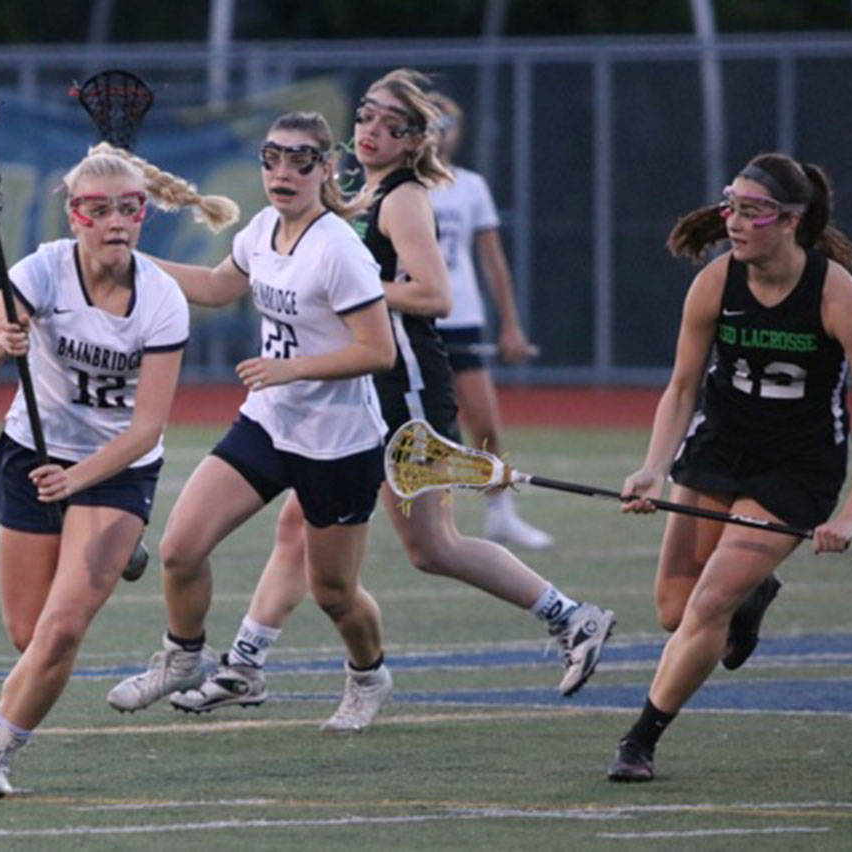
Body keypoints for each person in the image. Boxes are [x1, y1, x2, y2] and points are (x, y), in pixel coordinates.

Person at [168, 69, 615, 722]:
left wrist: (347, 292)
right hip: (361, 390)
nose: (373, 131)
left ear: (414, 144)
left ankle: (571, 617)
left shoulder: (402, 199)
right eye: (368, 117)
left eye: (393, 126)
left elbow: (433, 294)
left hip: (401, 389)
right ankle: (245, 663)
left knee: (430, 546)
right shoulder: (353, 193)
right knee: (299, 527)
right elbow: (229, 282)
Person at [0, 141, 239, 796]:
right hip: (30, 453)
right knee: (28, 635)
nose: (116, 223)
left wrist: (78, 483)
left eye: (129, 209)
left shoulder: (162, 299)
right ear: (74, 217)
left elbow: (147, 429)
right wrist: (2, 343)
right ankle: (119, 545)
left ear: (144, 215)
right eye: (99, 210)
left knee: (61, 632)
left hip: (114, 472)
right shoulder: (40, 272)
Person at [606, 153, 852, 782]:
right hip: (719, 447)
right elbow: (682, 387)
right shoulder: (716, 283)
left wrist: (851, 516)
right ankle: (754, 596)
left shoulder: (835, 294)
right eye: (730, 207)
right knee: (673, 610)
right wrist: (653, 468)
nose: (733, 222)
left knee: (708, 604)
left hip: (797, 467)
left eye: (751, 211)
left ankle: (640, 740)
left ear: (791, 220)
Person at [105, 110, 400, 732]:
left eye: (300, 161)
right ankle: (184, 656)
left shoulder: (339, 249)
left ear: (326, 169)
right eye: (272, 158)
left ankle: (369, 675)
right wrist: (136, 263)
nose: (283, 172)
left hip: (339, 443)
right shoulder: (262, 228)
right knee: (182, 548)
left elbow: (379, 351)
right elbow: (216, 287)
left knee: (334, 593)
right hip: (268, 423)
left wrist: (294, 370)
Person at [426, 90, 552, 551]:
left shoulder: (470, 186)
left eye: (446, 126)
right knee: (418, 426)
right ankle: (426, 519)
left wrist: (510, 324)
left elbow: (492, 260)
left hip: (461, 315)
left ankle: (499, 510)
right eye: (429, 125)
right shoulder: (396, 186)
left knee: (483, 420)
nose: (438, 137)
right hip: (411, 313)